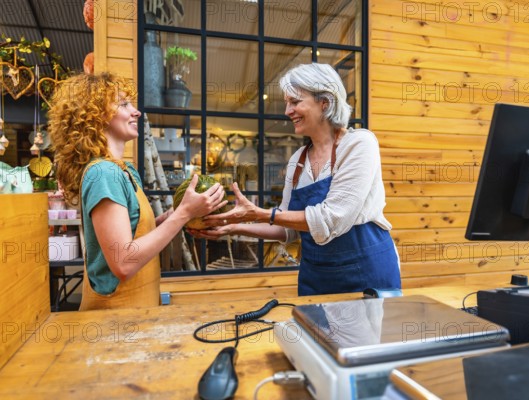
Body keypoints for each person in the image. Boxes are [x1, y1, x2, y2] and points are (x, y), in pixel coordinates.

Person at [192, 63, 401, 295]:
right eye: (287, 103)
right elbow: (288, 229)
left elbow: (333, 218)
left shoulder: (359, 144)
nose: (287, 111)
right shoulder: (297, 161)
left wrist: (258, 213)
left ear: (325, 102)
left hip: (366, 275)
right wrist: (232, 227)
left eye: (295, 102)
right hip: (317, 277)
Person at [48, 72, 227, 310]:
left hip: (139, 310)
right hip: (114, 321)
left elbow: (135, 233)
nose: (137, 111)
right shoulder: (103, 173)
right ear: (96, 116)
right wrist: (184, 213)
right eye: (124, 104)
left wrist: (177, 215)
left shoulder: (125, 170)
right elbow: (123, 263)